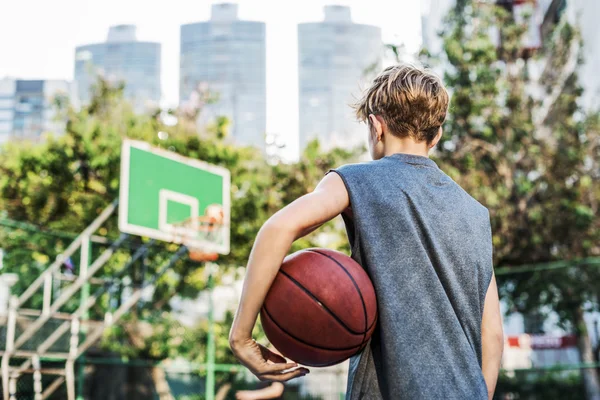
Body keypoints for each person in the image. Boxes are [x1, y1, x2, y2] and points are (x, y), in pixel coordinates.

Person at [229, 64, 504, 400]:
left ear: (376, 126)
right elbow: (492, 333)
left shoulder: (356, 180)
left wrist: (241, 337)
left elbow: (278, 227)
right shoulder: (476, 213)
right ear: (437, 135)